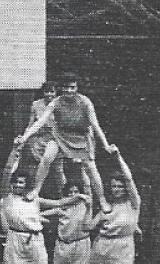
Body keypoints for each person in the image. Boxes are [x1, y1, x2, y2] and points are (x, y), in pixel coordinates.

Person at [18, 76, 117, 208]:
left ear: (77, 88)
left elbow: (95, 125)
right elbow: (40, 121)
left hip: (81, 138)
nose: (69, 91)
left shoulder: (85, 102)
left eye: (72, 87)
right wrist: (24, 137)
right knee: (47, 157)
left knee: (91, 169)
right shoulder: (56, 102)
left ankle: (102, 199)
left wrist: (105, 144)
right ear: (62, 89)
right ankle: (36, 190)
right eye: (66, 88)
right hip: (60, 136)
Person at [90, 148, 145, 264]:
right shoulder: (107, 206)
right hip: (103, 249)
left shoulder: (133, 204)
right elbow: (88, 227)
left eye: (120, 186)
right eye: (113, 186)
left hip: (123, 249)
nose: (117, 189)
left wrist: (118, 157)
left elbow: (129, 179)